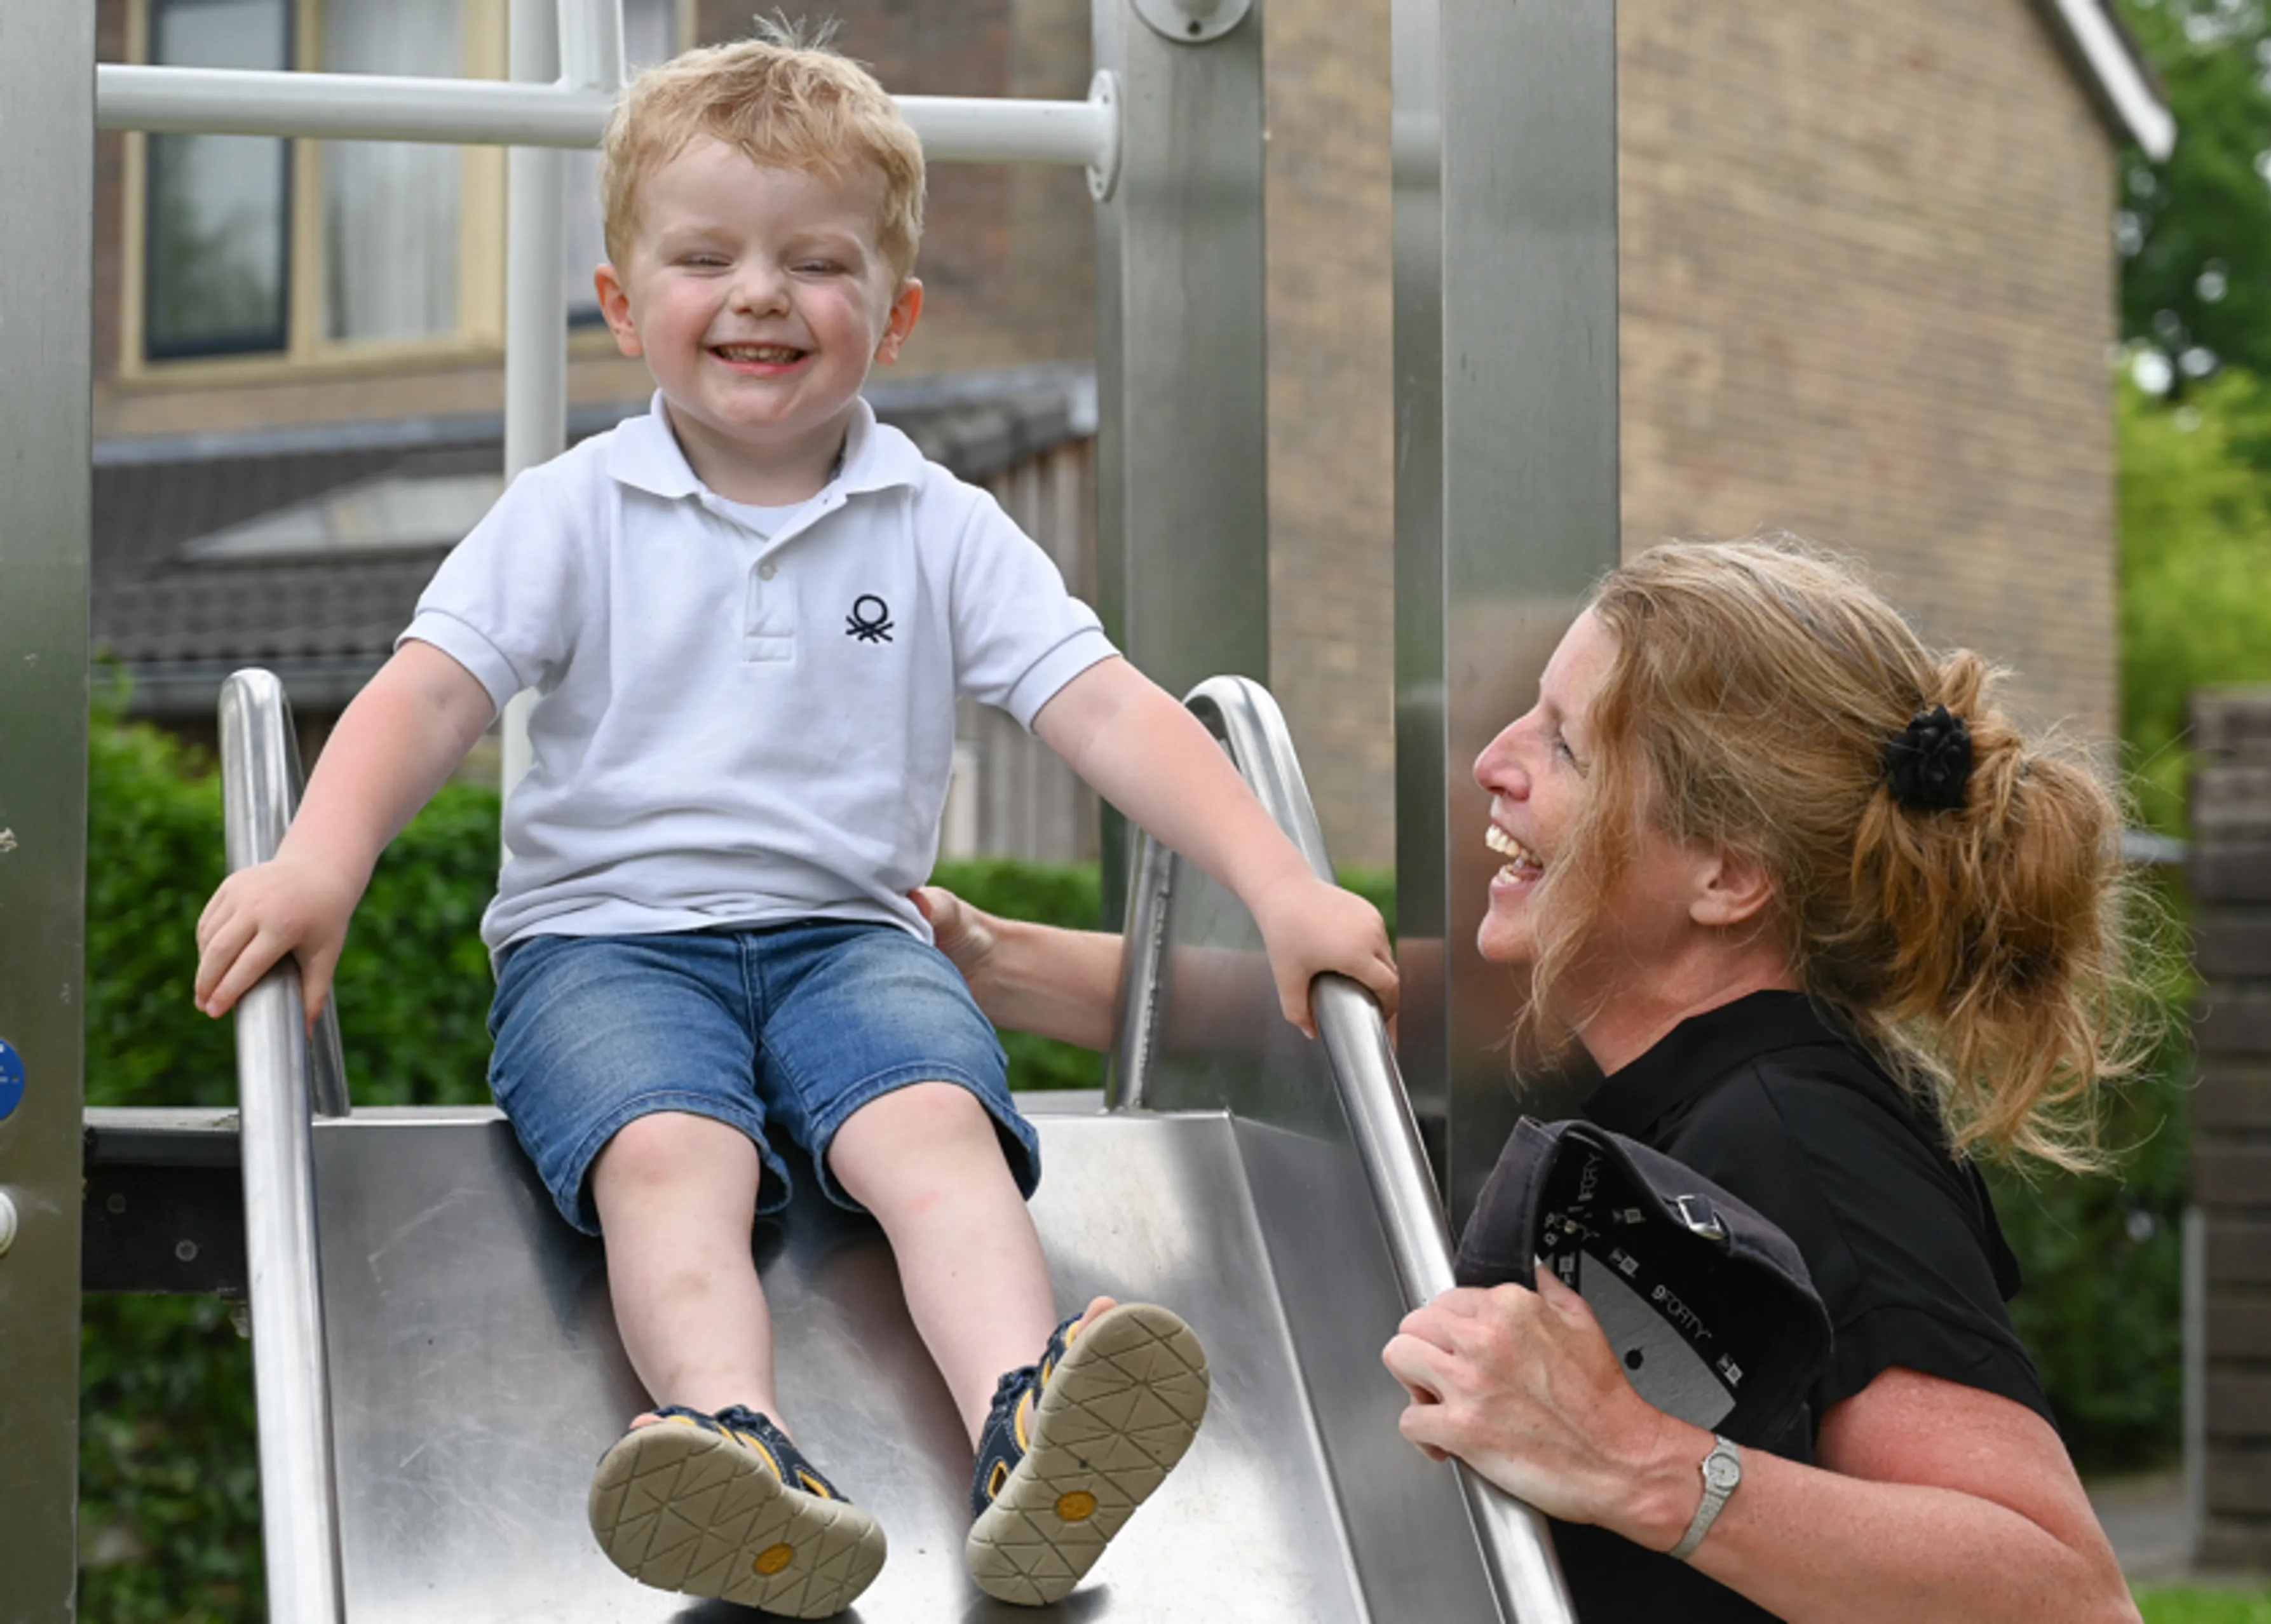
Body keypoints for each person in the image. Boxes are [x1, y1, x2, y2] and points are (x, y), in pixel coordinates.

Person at [192, 29, 1396, 1620]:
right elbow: (427, 697)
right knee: (667, 1156)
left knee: (935, 1137)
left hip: (852, 939)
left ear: (891, 315)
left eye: (816, 263)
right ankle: (731, 1445)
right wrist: (321, 860)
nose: (760, 295)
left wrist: (1283, 883)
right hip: (603, 951)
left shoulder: (943, 527)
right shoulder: (570, 513)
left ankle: (1034, 1424)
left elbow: (1106, 709)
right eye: (706, 256)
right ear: (624, 307)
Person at [920, 535, 2145, 1623]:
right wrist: (970, 956)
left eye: (1565, 745)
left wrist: (1631, 1462)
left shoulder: (1799, 1130)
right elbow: (1308, 1001)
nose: (1495, 764)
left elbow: (2066, 1594)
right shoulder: (1644, 1053)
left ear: (1725, 876)